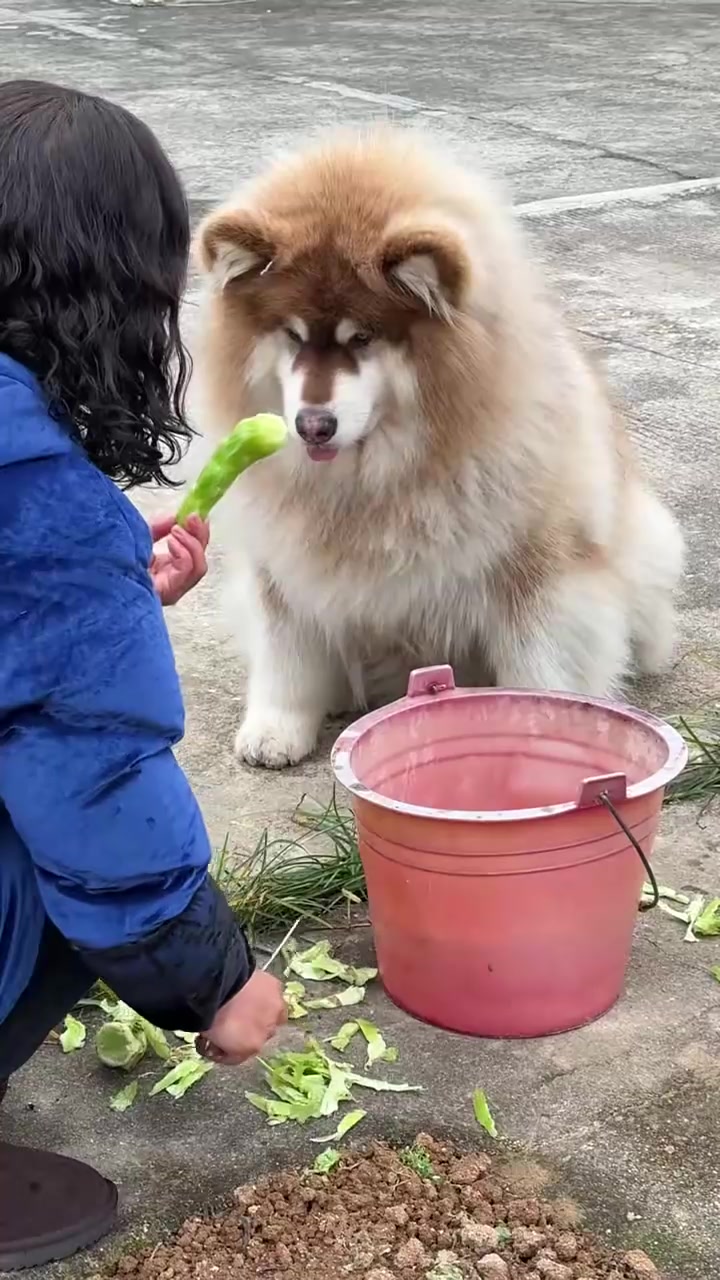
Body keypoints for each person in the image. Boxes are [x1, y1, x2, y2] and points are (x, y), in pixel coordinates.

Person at [0, 79, 287, 1269]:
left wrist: (109, 579)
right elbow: (93, 774)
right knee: (58, 861)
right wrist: (213, 977)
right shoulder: (39, 511)